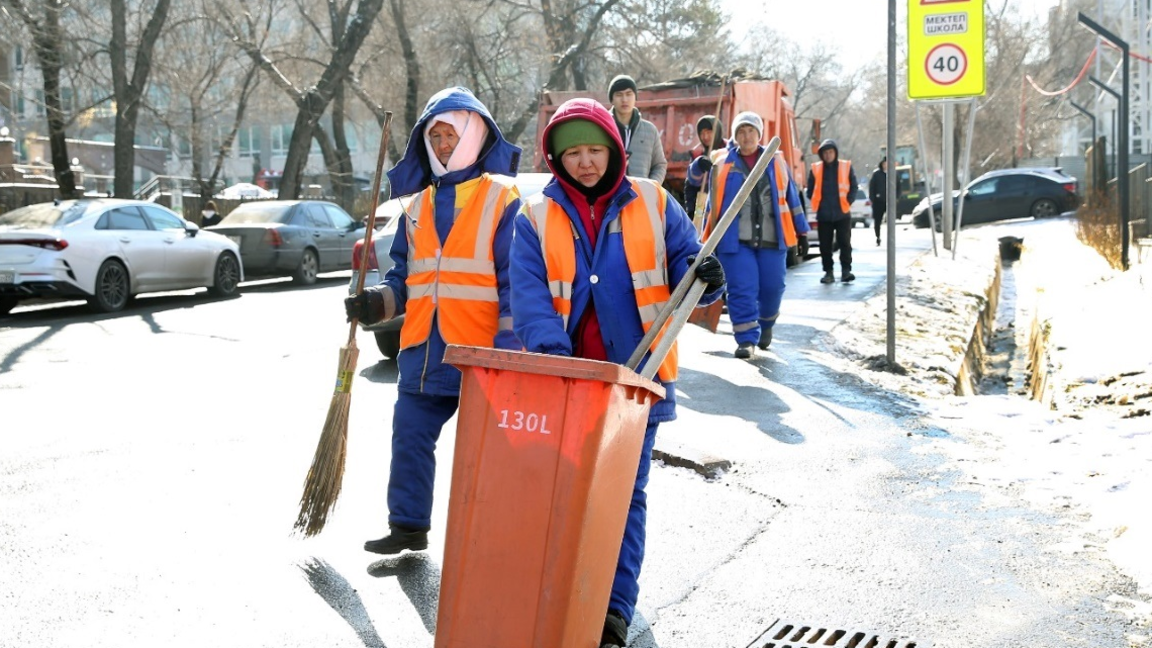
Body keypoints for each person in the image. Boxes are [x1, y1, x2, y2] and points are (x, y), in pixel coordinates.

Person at [509, 98, 725, 648]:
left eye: (595, 150)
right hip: (567, 382)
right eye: (573, 153)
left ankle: (612, 610)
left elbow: (687, 264)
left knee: (625, 494)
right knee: (563, 491)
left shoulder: (653, 201)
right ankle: (562, 589)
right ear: (556, 159)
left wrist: (706, 274)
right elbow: (530, 300)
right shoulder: (534, 216)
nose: (585, 162)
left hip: (638, 379)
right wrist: (560, 364)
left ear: (614, 149)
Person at [343, 86, 524, 555]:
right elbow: (404, 279)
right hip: (424, 349)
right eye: (435, 135)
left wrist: (511, 349)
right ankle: (407, 524)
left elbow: (513, 280)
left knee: (487, 456)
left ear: (475, 134)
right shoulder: (416, 205)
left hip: (481, 352)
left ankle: (491, 541)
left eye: (452, 134)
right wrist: (374, 304)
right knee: (409, 434)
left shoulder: (502, 198)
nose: (443, 144)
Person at [702, 111, 808, 358]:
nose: (747, 136)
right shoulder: (723, 163)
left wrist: (801, 231)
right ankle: (746, 340)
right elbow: (711, 205)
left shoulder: (776, 160)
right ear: (735, 135)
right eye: (741, 131)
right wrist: (706, 240)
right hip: (735, 242)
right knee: (742, 289)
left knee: (773, 288)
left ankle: (766, 325)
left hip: (772, 239)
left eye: (751, 131)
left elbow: (791, 198)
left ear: (759, 135)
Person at [806, 139, 857, 284]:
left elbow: (854, 186)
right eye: (825, 153)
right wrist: (819, 203)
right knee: (825, 246)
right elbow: (810, 190)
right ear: (821, 155)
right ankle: (828, 272)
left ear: (835, 153)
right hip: (824, 215)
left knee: (845, 243)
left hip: (842, 213)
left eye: (830, 152)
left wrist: (849, 200)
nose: (828, 155)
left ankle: (846, 271)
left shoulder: (845, 166)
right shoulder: (815, 169)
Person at [607, 74, 667, 183]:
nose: (624, 99)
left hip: (641, 196)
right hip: (610, 195)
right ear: (612, 99)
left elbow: (659, 165)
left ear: (635, 97)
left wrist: (652, 187)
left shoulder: (650, 130)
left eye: (629, 94)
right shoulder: (603, 128)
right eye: (619, 95)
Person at [682, 114, 726, 224]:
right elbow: (690, 185)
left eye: (709, 132)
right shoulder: (697, 154)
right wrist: (691, 210)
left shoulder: (728, 150)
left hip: (725, 207)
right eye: (702, 133)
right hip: (704, 209)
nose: (705, 137)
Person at [870, 157, 887, 246]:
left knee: (891, 221)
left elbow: (898, 186)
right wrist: (873, 199)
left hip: (889, 202)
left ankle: (891, 238)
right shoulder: (876, 174)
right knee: (877, 221)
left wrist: (896, 197)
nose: (886, 165)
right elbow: (871, 187)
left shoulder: (893, 173)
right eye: (884, 163)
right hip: (878, 201)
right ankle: (878, 237)